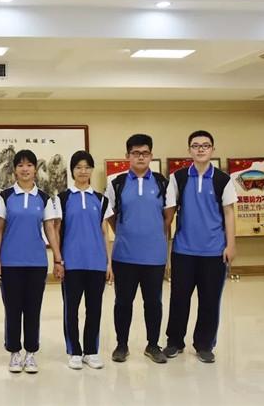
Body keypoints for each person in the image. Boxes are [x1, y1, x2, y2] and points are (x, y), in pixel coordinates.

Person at [163, 130, 237, 363]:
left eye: (205, 145)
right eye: (196, 145)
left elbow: (229, 213)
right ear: (189, 150)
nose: (201, 149)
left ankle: (204, 345)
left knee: (210, 300)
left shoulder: (223, 179)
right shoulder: (178, 177)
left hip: (214, 251)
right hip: (183, 250)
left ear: (213, 149)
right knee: (179, 299)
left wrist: (231, 245)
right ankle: (174, 342)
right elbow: (169, 214)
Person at [105, 133, 170, 364]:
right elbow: (110, 214)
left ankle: (153, 345)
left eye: (145, 153)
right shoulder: (116, 183)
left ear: (151, 155)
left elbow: (168, 216)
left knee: (153, 303)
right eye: (135, 153)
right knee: (123, 302)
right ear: (127, 156)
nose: (140, 157)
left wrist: (154, 235)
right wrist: (124, 232)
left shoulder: (163, 183)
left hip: (154, 256)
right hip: (124, 254)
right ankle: (121, 345)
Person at [0, 149, 60, 374]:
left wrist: (58, 258)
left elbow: (50, 228)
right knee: (12, 309)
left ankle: (31, 352)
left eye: (29, 165)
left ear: (35, 169)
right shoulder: (5, 196)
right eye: (20, 165)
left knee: (33, 309)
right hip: (10, 263)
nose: (25, 169)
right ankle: (14, 352)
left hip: (36, 263)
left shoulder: (44, 198)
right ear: (14, 170)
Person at [58, 150, 112, 370]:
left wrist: (108, 263)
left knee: (94, 309)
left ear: (91, 170)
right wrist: (59, 261)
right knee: (71, 310)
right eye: (78, 167)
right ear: (72, 170)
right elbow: (56, 231)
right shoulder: (62, 198)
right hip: (71, 264)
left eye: (87, 167)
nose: (83, 171)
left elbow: (105, 232)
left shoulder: (101, 199)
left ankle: (91, 351)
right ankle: (74, 351)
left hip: (96, 263)